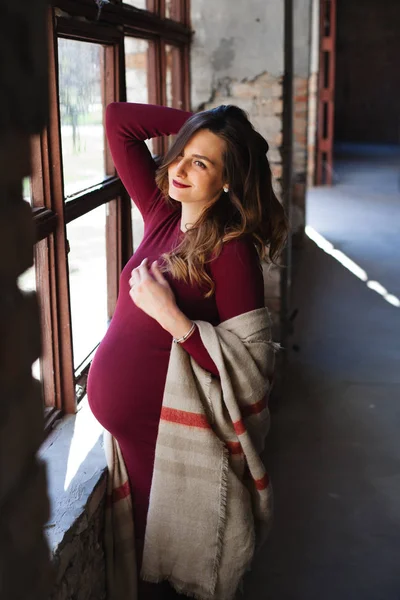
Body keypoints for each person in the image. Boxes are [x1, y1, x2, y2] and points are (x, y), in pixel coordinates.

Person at [87, 102, 287, 599]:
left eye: (201, 162)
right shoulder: (161, 214)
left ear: (227, 180)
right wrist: (207, 123)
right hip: (140, 437)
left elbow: (250, 370)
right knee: (149, 561)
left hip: (173, 437)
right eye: (180, 155)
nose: (178, 169)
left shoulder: (232, 250)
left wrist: (171, 317)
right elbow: (118, 121)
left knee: (178, 573)